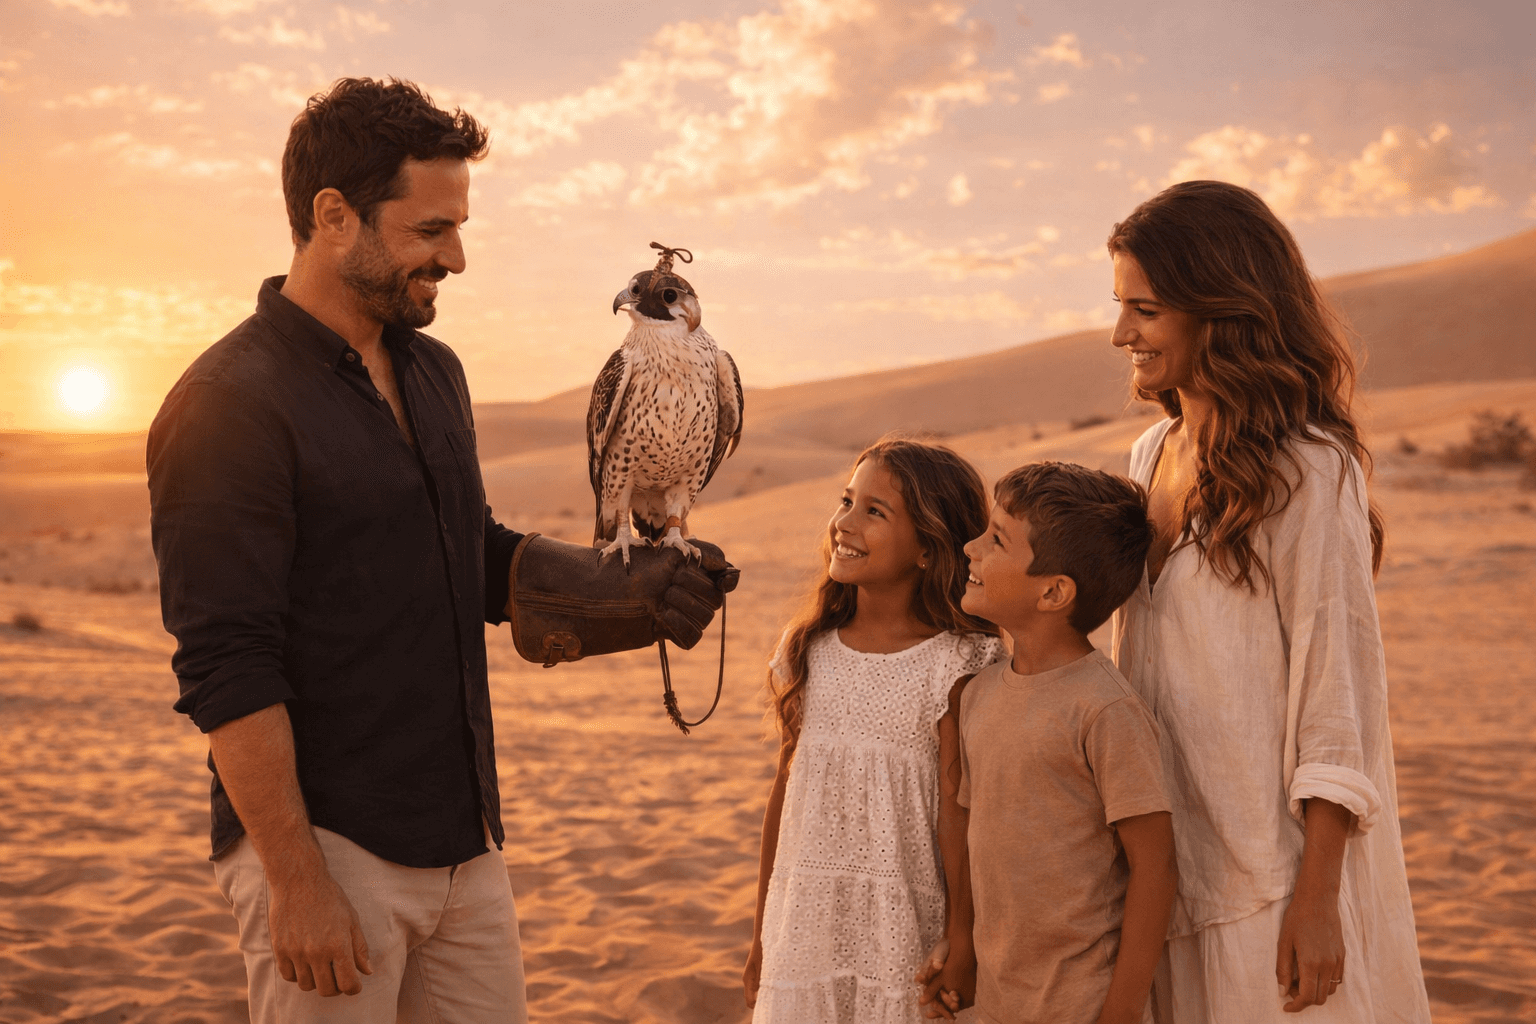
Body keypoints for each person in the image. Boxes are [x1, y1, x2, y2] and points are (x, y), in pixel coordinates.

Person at [146, 78, 734, 1023]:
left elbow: (466, 553)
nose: (456, 256)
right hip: (328, 847)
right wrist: (296, 882)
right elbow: (225, 665)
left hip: (467, 840)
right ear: (334, 217)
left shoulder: (432, 370)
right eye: (430, 230)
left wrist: (619, 590)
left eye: (460, 227)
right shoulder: (230, 403)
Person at [1105, 179, 1432, 1022]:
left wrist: (1318, 899)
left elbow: (1338, 691)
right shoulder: (1148, 456)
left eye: (1143, 309)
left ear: (1217, 307)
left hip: (1271, 882)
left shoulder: (1309, 467)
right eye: (1120, 307)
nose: (1120, 335)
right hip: (1163, 875)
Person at [742, 438, 1005, 1024]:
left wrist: (962, 942)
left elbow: (959, 815)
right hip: (802, 927)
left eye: (874, 511)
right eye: (846, 501)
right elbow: (785, 796)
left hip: (903, 934)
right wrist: (763, 932)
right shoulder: (805, 649)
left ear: (928, 550)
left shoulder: (959, 663)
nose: (844, 523)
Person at [918, 461, 1177, 1024]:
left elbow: (1155, 869)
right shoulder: (978, 695)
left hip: (1081, 1006)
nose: (969, 547)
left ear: (1055, 592)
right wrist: (960, 950)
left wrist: (1122, 1013)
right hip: (996, 1004)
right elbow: (968, 833)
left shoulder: (1105, 710)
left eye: (996, 540)